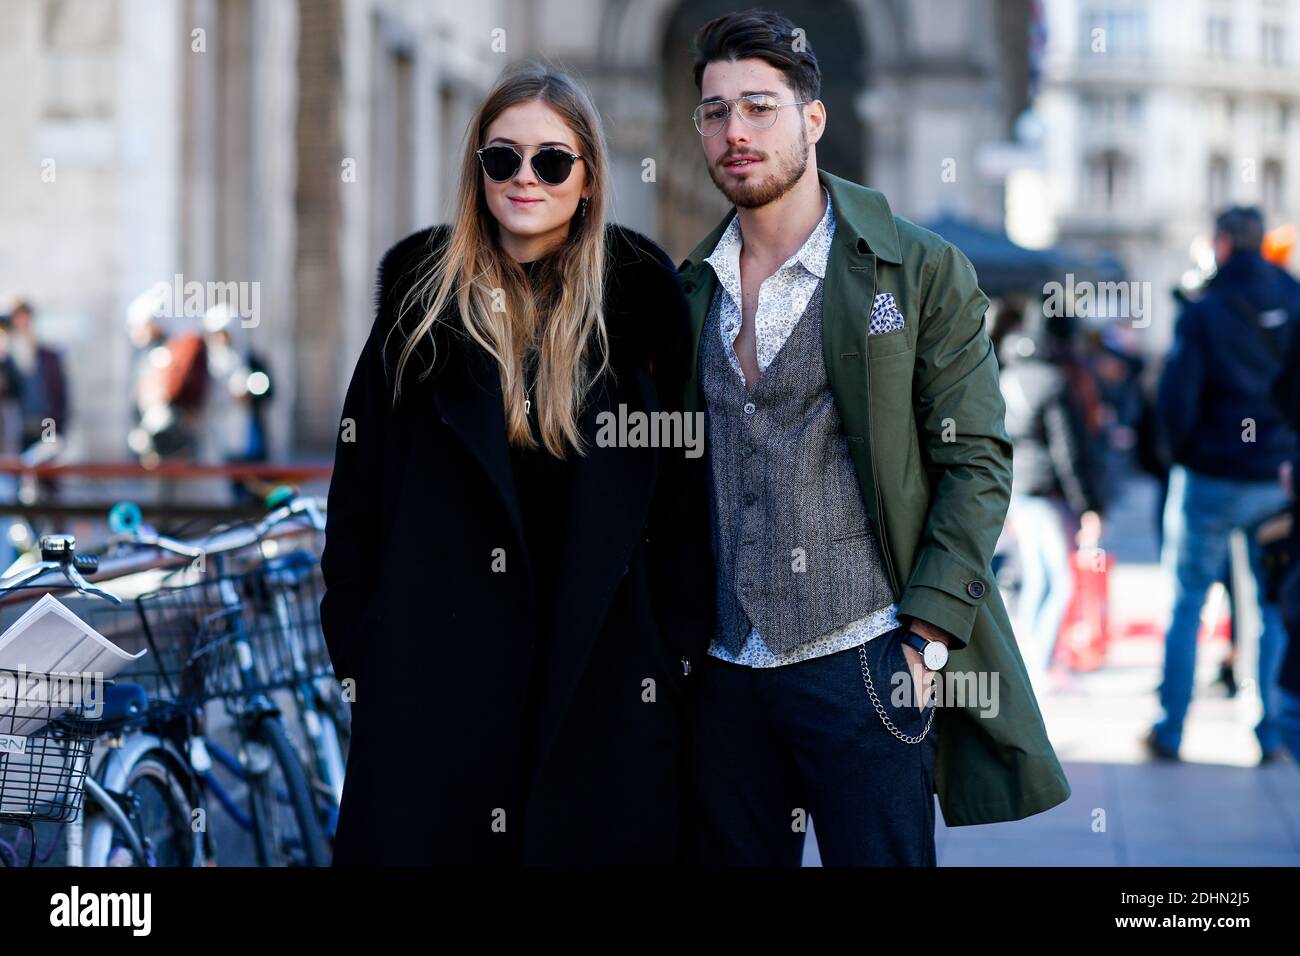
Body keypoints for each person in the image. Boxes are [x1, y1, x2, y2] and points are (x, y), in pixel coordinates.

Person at [677, 10, 1069, 866]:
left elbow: (975, 460)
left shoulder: (917, 268)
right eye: (714, 113)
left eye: (758, 106)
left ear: (812, 119)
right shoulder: (688, 293)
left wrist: (926, 639)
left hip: (864, 661)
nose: (734, 131)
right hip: (724, 674)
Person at [320, 63, 714, 865]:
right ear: (478, 172)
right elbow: (355, 496)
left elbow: (684, 514)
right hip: (433, 692)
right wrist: (366, 648)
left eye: (551, 160)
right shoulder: (418, 314)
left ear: (589, 178)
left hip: (603, 692)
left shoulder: (642, 322)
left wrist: (668, 666)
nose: (524, 178)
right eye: (502, 159)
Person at [1148, 206, 1299, 763]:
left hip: (1211, 475)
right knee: (1270, 606)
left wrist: (1183, 454)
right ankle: (1269, 731)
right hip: (1274, 476)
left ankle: (1171, 729)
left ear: (1222, 243)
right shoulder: (1292, 297)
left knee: (1186, 603)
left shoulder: (1204, 309)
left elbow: (1176, 397)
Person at [998, 319, 1106, 682]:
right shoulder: (1054, 384)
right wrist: (1089, 504)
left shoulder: (1004, 381)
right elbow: (1069, 452)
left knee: (1034, 578)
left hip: (1017, 490)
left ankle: (1026, 657)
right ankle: (1037, 661)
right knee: (1058, 581)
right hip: (1046, 493)